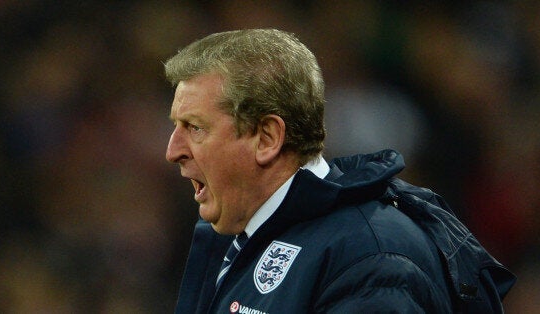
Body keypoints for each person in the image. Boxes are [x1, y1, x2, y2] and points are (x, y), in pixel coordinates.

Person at [164, 29, 515, 313]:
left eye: (194, 127)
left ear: (267, 138)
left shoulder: (372, 257)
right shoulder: (237, 237)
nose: (173, 150)